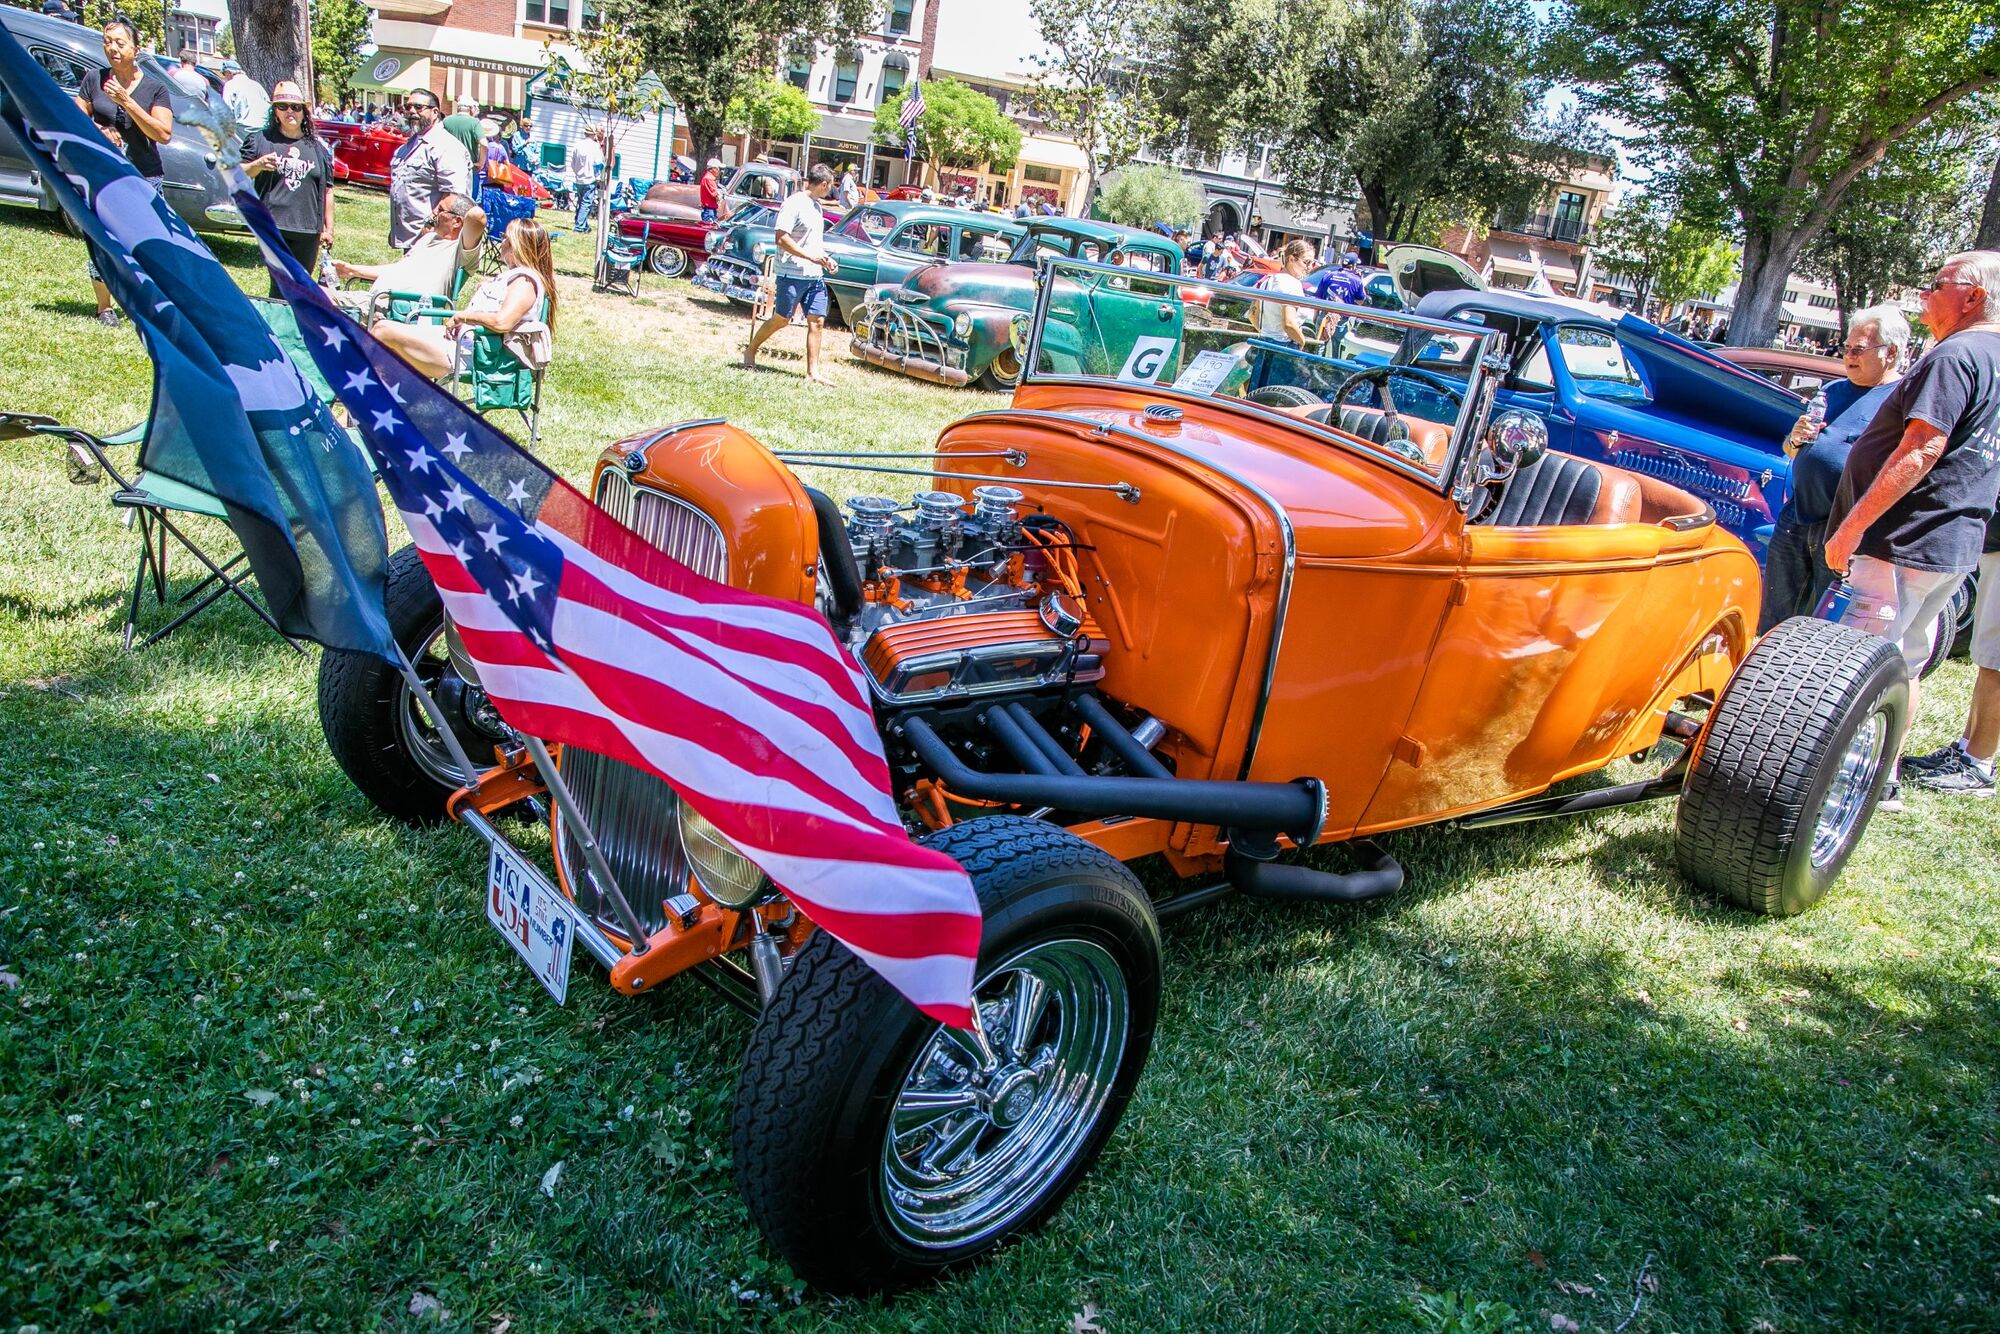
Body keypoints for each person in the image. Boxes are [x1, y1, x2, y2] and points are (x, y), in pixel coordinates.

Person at [1823, 250, 2000, 808]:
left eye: (1938, 284)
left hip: (1905, 538)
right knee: (1905, 661)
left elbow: (1922, 446)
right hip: (1951, 539)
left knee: (1861, 659)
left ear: (1972, 297)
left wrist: (1852, 526)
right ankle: (1883, 777)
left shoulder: (1958, 354)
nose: (1925, 295)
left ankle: (1838, 781)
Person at [1758, 305, 1911, 633]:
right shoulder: (1831, 391)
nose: (1849, 356)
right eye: (1847, 348)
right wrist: (1794, 438)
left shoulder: (1902, 398)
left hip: (1845, 526)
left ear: (1891, 352)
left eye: (1859, 349)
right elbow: (1792, 450)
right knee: (1774, 616)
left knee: (1823, 623)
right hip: (1798, 515)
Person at [371, 217, 557, 384]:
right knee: (388, 338)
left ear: (517, 246)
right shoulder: (514, 277)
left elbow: (502, 322)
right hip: (462, 345)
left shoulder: (525, 282)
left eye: (506, 238)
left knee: (383, 331)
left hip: (473, 355)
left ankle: (364, 396)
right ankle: (385, 401)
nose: (501, 242)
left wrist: (464, 316)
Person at [74, 18, 172, 325]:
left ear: (136, 49)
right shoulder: (94, 79)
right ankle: (104, 308)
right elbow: (74, 117)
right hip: (103, 176)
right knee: (102, 239)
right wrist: (98, 129)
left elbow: (163, 134)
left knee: (147, 241)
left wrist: (127, 102)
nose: (112, 48)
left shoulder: (155, 88)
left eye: (120, 42)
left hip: (144, 177)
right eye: (108, 42)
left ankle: (146, 303)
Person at [742, 163, 838, 384]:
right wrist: (810, 257)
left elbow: (812, 242)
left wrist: (825, 259)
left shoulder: (817, 207)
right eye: (831, 186)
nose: (831, 190)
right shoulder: (793, 204)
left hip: (814, 275)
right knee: (781, 319)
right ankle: (751, 350)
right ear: (823, 184)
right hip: (791, 273)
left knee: (817, 321)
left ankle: (813, 373)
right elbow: (781, 238)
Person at [243, 80, 335, 293]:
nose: (289, 111)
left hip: (308, 229)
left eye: (295, 107)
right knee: (282, 284)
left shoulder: (318, 148)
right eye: (282, 106)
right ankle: (276, 315)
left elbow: (328, 190)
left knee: (301, 286)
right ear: (275, 111)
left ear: (304, 112)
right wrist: (257, 165)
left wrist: (329, 229)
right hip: (273, 226)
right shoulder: (260, 140)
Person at [330, 193, 485, 313]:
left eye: (440, 210)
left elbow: (477, 216)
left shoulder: (461, 252)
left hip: (401, 313)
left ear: (457, 221)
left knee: (320, 299)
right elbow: (398, 269)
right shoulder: (429, 238)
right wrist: (352, 270)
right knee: (319, 295)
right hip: (373, 303)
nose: (433, 212)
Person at [387, 90, 471, 250]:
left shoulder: (446, 146)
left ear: (435, 112)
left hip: (433, 240)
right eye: (408, 107)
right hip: (411, 237)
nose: (412, 111)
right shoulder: (412, 143)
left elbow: (454, 195)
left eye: (418, 107)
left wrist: (431, 225)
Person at [1257, 239, 1324, 357]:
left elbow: (1254, 314)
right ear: (1292, 259)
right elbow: (1289, 324)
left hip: (1263, 341)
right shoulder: (1293, 284)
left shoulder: (1269, 280)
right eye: (1306, 262)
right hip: (1283, 346)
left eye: (1312, 263)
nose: (1309, 267)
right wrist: (1302, 341)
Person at [569, 125, 605, 232]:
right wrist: (598, 177)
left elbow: (573, 163)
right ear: (594, 134)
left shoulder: (577, 145)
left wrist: (577, 173)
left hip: (579, 179)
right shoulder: (595, 147)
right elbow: (598, 164)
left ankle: (583, 225)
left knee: (581, 202)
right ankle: (579, 226)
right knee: (586, 203)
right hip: (590, 179)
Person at [441, 98, 485, 180]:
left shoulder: (446, 121)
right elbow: (484, 144)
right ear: (470, 108)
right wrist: (481, 163)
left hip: (449, 167)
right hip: (469, 168)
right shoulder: (475, 122)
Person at [220, 59, 270, 130]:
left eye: (224, 74)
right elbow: (268, 104)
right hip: (263, 127)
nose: (225, 78)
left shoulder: (230, 85)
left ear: (229, 72)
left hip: (244, 129)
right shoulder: (256, 84)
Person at [699, 156, 727, 224]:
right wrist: (721, 197)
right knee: (710, 227)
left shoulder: (708, 178)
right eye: (718, 169)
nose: (719, 171)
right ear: (713, 169)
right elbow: (715, 194)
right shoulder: (709, 179)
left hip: (710, 210)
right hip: (709, 210)